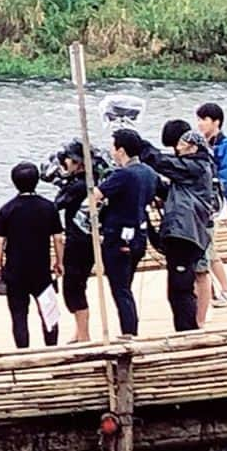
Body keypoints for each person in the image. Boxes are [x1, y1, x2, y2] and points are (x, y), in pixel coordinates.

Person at [141, 122, 216, 332]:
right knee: (176, 288)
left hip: (187, 234)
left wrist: (140, 145)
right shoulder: (192, 170)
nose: (178, 147)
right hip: (184, 232)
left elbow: (161, 161)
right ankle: (185, 328)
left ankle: (188, 330)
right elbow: (172, 191)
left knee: (181, 287)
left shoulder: (195, 166)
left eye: (182, 144)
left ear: (193, 147)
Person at [93, 128, 158, 337]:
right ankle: (130, 329)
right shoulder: (149, 172)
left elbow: (95, 195)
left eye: (113, 147)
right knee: (125, 288)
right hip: (139, 235)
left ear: (120, 150)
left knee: (121, 290)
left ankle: (129, 333)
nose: (111, 151)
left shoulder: (123, 174)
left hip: (119, 236)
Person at [0, 162, 64, 348]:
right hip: (41, 269)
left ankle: (23, 351)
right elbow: (58, 238)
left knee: (18, 315)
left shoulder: (7, 209)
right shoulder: (48, 207)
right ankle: (52, 348)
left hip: (15, 271)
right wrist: (59, 261)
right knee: (48, 311)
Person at [49, 142, 95, 342]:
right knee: (79, 284)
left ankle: (84, 334)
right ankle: (80, 331)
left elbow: (57, 205)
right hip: (86, 239)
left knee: (73, 286)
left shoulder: (79, 185)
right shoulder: (87, 181)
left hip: (79, 240)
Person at [195, 101, 227, 309]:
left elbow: (226, 178)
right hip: (201, 203)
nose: (200, 124)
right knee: (203, 249)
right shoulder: (201, 144)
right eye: (199, 119)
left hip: (215, 205)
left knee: (210, 250)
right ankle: (209, 293)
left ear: (216, 122)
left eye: (204, 119)